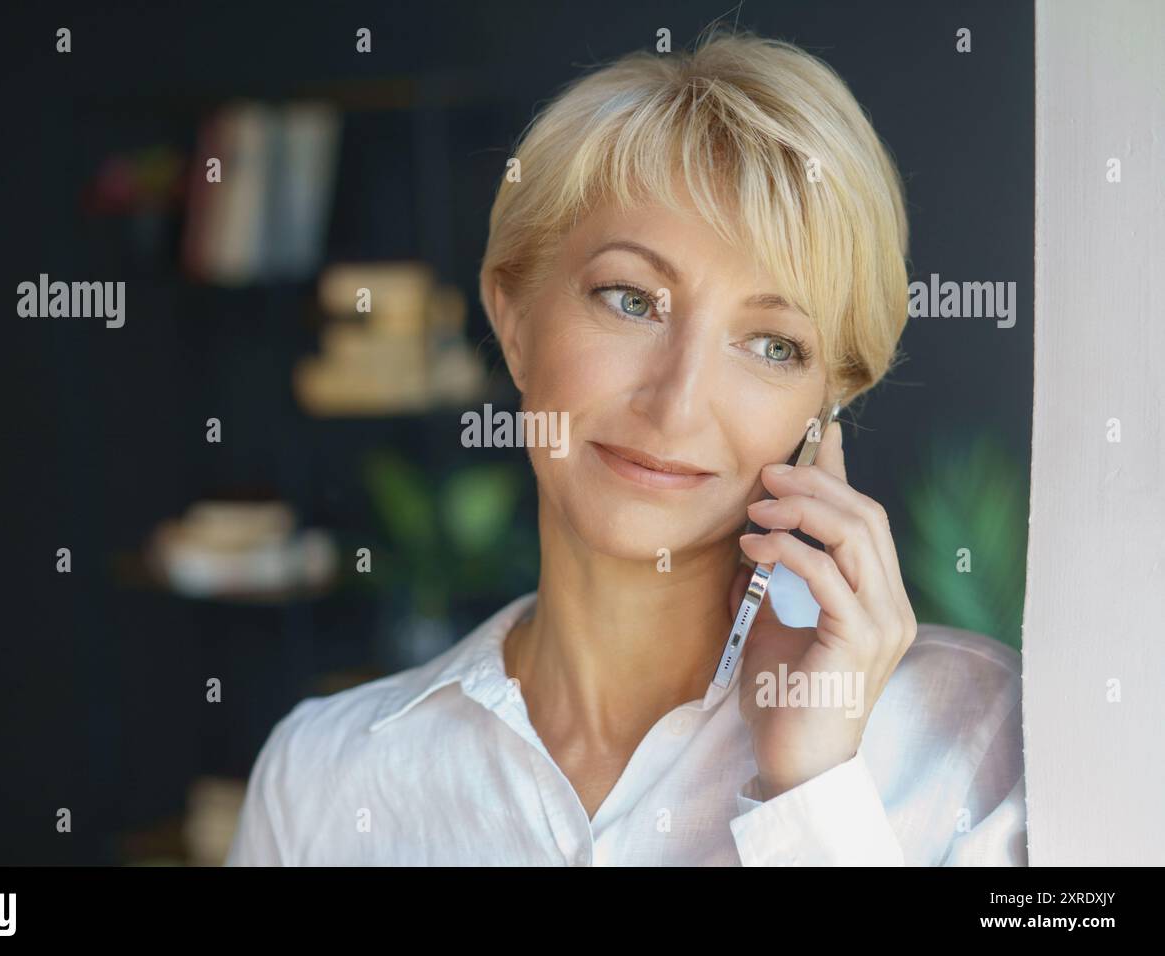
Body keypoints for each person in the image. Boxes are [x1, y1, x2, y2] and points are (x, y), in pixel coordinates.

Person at [227, 28, 1026, 866]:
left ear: (825, 407)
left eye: (772, 345)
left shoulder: (974, 739)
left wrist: (815, 791)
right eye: (631, 300)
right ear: (514, 317)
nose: (677, 405)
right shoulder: (319, 778)